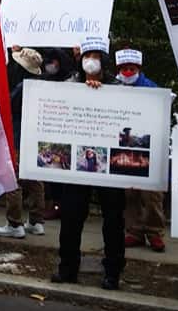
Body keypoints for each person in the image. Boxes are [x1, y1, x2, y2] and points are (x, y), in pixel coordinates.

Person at [53, 36, 125, 290]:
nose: (91, 61)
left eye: (96, 56)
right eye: (87, 56)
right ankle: (67, 268)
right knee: (71, 217)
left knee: (113, 219)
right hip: (77, 164)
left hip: (109, 167)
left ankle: (113, 272)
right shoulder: (70, 84)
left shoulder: (118, 87)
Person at [115, 47, 166, 253]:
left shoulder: (151, 88)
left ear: (139, 68)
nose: (128, 72)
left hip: (147, 148)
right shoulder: (113, 87)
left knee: (151, 195)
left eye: (131, 68)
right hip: (123, 146)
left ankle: (155, 232)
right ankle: (134, 231)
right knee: (129, 194)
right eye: (124, 68)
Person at [0, 45, 50, 239]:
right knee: (35, 178)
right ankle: (36, 221)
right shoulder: (41, 84)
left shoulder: (22, 87)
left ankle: (14, 223)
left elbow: (9, 105)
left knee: (14, 178)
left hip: (18, 135)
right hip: (35, 136)